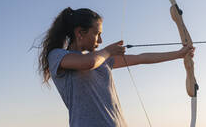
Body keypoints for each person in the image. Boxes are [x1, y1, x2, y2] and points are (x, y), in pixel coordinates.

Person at [38, 7, 195, 127]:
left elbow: (142, 58)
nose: (100, 40)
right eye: (97, 34)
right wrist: (107, 51)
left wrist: (179, 53)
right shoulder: (57, 56)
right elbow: (88, 63)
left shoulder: (102, 59)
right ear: (80, 32)